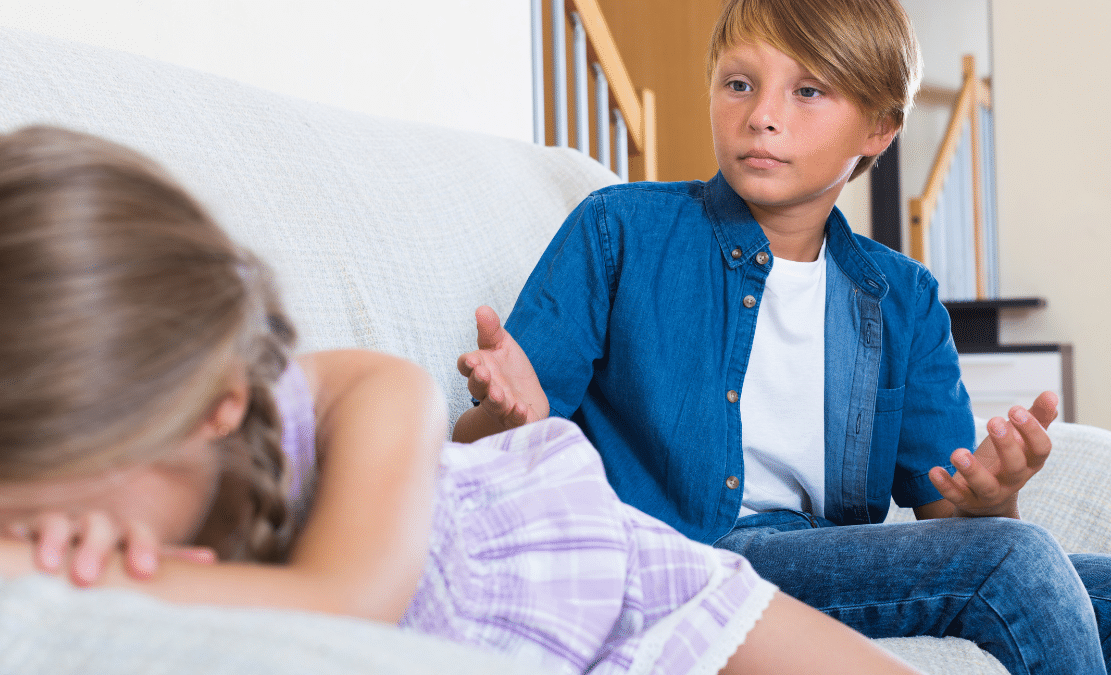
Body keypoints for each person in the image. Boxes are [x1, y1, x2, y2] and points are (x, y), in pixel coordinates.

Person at [0, 126, 922, 675]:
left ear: (213, 403)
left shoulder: (358, 396)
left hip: (621, 580)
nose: (48, 557)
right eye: (10, 537)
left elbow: (341, 609)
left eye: (44, 525)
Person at [453, 0, 1111, 673]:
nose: (762, 115)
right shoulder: (620, 231)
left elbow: (948, 511)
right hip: (677, 555)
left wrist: (995, 498)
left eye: (807, 91)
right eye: (739, 84)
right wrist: (504, 418)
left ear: (879, 128)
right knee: (1017, 559)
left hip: (819, 561)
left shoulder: (903, 297)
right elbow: (475, 457)